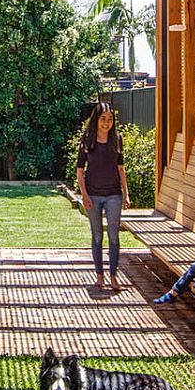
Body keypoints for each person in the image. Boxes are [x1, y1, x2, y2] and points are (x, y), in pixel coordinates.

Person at [75, 102, 130, 291]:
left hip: (114, 194)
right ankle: (100, 276)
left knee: (114, 236)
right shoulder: (87, 140)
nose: (107, 123)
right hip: (93, 195)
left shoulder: (117, 139)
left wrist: (126, 193)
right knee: (97, 236)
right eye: (103, 119)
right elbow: (80, 171)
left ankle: (114, 276)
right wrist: (84, 195)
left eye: (110, 119)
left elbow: (120, 168)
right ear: (96, 120)